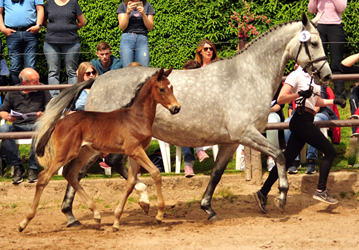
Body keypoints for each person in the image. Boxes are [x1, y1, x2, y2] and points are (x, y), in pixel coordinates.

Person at [254, 65, 346, 213]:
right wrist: (299, 94)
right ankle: (321, 190)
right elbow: (281, 98)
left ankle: (262, 192)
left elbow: (315, 102)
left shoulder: (313, 78)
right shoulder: (295, 75)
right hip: (301, 120)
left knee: (286, 160)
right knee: (330, 152)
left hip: (306, 120)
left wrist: (334, 102)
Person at [0, 68, 51, 184]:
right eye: (35, 82)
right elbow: (2, 111)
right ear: (24, 83)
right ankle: (17, 167)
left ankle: (33, 167)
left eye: (38, 80)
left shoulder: (42, 89)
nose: (39, 84)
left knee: (41, 126)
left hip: (36, 123)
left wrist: (43, 114)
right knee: (3, 129)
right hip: (18, 125)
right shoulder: (13, 91)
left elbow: (51, 109)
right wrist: (7, 117)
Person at [182, 39, 219, 177]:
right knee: (186, 123)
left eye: (211, 49)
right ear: (200, 52)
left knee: (188, 122)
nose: (209, 51)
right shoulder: (195, 68)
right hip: (196, 110)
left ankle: (189, 162)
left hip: (212, 108)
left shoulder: (218, 67)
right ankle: (193, 158)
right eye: (206, 49)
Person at [285, 85, 340, 175]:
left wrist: (309, 116)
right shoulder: (297, 82)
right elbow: (291, 106)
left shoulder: (317, 83)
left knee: (312, 123)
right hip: (301, 114)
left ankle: (311, 159)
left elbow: (318, 103)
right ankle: (294, 160)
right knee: (288, 122)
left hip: (319, 113)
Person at [43, 0, 86, 97]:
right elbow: (43, 20)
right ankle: (55, 99)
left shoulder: (73, 3)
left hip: (71, 42)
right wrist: (52, 27)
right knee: (53, 72)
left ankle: (73, 97)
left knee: (72, 71)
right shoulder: (49, 3)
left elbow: (82, 22)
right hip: (51, 42)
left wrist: (70, 29)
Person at [308, 0, 347, 101]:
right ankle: (321, 93)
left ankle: (340, 95)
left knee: (336, 62)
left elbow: (342, 8)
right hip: (320, 26)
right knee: (320, 62)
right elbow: (311, 10)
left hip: (336, 27)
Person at [0, 0, 44, 86]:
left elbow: (40, 9)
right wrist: (2, 28)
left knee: (31, 66)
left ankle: (31, 93)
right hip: (12, 33)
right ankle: (15, 94)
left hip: (31, 33)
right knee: (14, 67)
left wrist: (38, 25)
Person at [117, 0, 155, 67]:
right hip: (126, 39)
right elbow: (122, 27)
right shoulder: (123, 6)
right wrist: (127, 12)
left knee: (144, 69)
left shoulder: (147, 5)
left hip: (142, 39)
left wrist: (143, 13)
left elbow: (150, 27)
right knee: (127, 70)